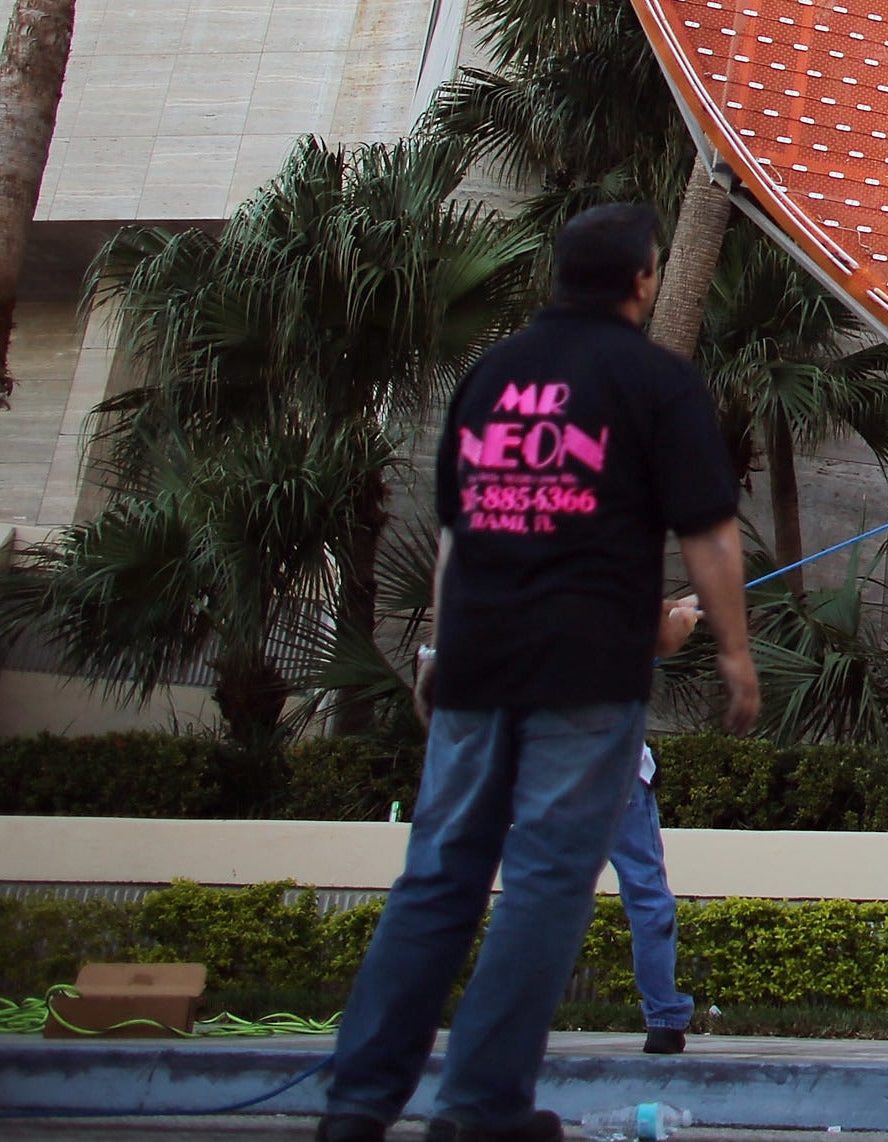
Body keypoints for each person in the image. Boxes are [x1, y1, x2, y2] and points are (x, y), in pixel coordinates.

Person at [317, 204, 761, 1142]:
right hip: (584, 676)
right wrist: (731, 651)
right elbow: (710, 533)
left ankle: (358, 1104)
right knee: (549, 883)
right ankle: (480, 1108)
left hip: (476, 666)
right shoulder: (654, 381)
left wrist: (436, 648)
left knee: (437, 876)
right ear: (644, 279)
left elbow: (455, 535)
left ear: (560, 276)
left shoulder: (490, 376)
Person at [611, 595, 704, 1057]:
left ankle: (510, 1021)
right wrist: (681, 621)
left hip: (544, 759)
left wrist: (670, 604)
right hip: (613, 765)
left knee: (543, 890)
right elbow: (662, 635)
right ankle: (664, 1018)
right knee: (647, 893)